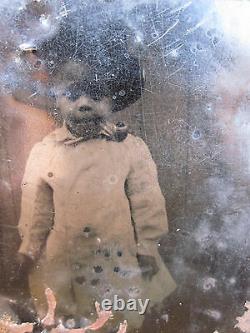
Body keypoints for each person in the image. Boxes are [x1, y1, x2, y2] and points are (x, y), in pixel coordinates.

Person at [16, 19, 176, 332]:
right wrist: (29, 248)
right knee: (65, 313)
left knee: (115, 315)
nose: (84, 103)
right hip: (63, 254)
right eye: (73, 94)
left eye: (97, 94)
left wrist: (147, 244)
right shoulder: (45, 149)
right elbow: (37, 205)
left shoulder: (129, 148)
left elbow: (147, 199)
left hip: (113, 255)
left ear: (114, 98)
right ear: (58, 96)